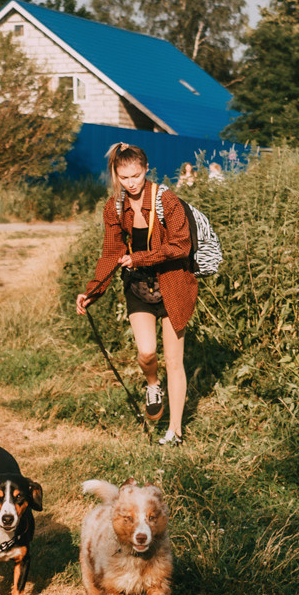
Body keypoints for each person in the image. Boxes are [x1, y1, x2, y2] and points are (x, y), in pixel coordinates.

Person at [75, 142, 195, 445]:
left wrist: (141, 258)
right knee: (146, 352)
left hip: (173, 284)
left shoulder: (166, 200)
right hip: (138, 286)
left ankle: (175, 432)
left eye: (136, 176)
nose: (130, 183)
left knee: (174, 361)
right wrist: (93, 291)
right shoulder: (114, 206)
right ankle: (152, 385)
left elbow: (182, 245)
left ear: (146, 169)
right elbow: (111, 251)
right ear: (117, 174)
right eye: (124, 177)